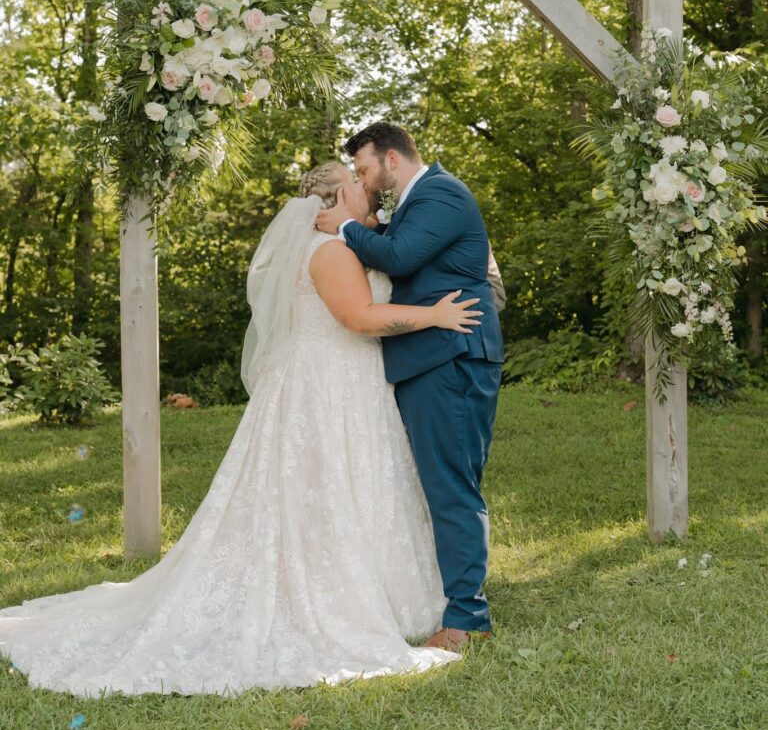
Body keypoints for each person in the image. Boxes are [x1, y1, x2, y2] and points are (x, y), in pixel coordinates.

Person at [0, 163, 481, 697]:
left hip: (351, 382)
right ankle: (327, 596)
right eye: (358, 183)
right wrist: (432, 316)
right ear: (338, 196)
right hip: (327, 386)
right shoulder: (332, 251)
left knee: (347, 487)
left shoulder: (351, 242)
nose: (368, 189)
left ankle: (386, 589)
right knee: (324, 488)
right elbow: (357, 319)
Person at [316, 124, 504, 650]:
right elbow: (398, 250)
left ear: (392, 159)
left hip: (453, 358)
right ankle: (460, 594)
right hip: (430, 359)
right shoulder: (417, 201)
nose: (363, 179)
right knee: (445, 482)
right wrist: (362, 229)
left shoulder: (441, 193)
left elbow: (397, 258)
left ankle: (466, 619)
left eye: (365, 169)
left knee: (451, 487)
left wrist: (348, 226)